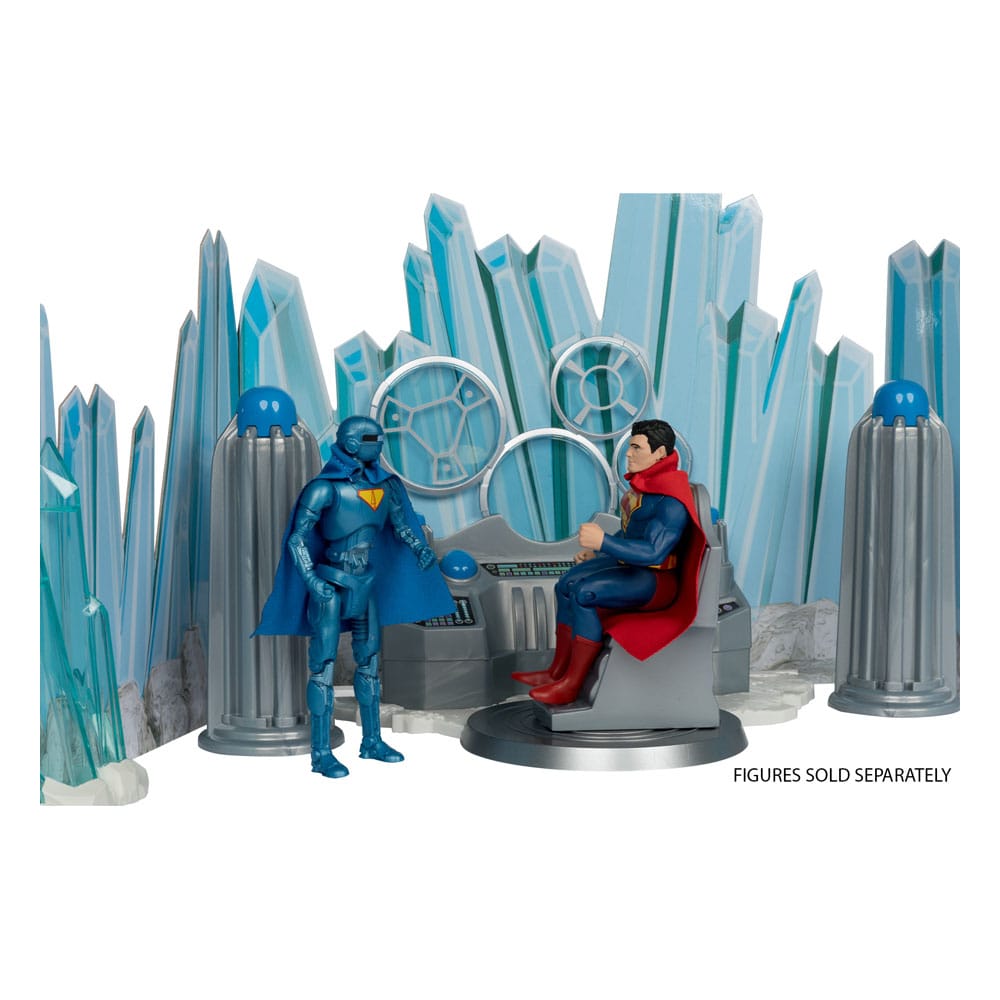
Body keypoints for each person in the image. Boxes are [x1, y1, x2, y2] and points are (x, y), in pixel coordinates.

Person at [256, 416, 455, 778]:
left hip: (366, 582)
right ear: (350, 443)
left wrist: (420, 549)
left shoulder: (384, 487)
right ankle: (320, 753)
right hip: (331, 583)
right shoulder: (324, 489)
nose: (378, 443)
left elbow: (402, 526)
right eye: (370, 438)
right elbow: (298, 539)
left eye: (378, 438)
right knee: (323, 669)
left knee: (370, 665)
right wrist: (311, 580)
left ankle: (372, 741)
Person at [513, 419, 706, 705]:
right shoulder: (644, 487)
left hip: (656, 581)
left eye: (637, 448)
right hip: (634, 569)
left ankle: (571, 685)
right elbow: (628, 534)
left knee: (585, 593)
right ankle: (556, 671)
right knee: (566, 583)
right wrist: (601, 553)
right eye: (630, 446)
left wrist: (603, 542)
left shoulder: (670, 500)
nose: (628, 453)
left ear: (660, 453)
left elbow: (654, 552)